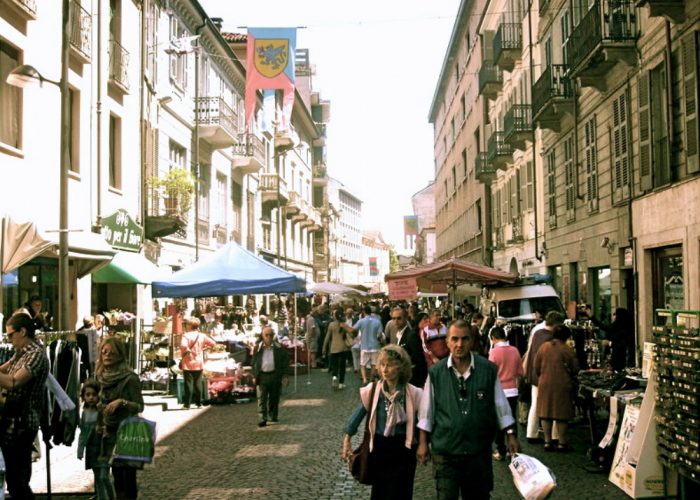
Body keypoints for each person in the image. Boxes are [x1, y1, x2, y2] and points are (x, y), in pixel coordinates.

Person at [417, 320, 520, 499]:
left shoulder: (487, 370)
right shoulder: (436, 373)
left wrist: (511, 434)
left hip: (478, 452)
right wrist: (423, 442)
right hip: (446, 453)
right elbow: (427, 411)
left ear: (471, 341)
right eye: (454, 339)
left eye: (464, 339)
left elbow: (501, 406)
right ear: (447, 342)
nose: (459, 344)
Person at [341, 345, 424, 499]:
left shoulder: (413, 393)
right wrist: (347, 440)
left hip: (403, 449)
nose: (385, 369)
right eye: (382, 364)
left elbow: (422, 421)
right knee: (380, 493)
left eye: (390, 365)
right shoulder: (372, 391)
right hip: (380, 448)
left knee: (402, 492)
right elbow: (357, 416)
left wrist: (423, 445)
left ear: (401, 367)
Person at [0, 313, 50, 499]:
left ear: (23, 331)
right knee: (13, 480)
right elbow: (3, 371)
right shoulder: (21, 353)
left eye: (11, 335)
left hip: (23, 423)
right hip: (12, 422)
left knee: (18, 481)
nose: (9, 340)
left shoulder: (35, 354)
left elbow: (13, 382)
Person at [95, 337, 144, 500]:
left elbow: (139, 406)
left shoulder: (130, 378)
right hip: (109, 431)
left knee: (127, 477)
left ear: (119, 355)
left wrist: (122, 402)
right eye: (104, 352)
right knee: (116, 476)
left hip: (129, 431)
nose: (107, 355)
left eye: (111, 352)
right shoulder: (100, 376)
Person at [534, 326, 580, 451]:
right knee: (561, 414)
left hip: (545, 382)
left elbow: (536, 365)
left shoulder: (544, 347)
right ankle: (562, 442)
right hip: (562, 383)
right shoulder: (567, 349)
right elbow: (575, 368)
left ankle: (547, 441)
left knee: (546, 412)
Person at [522, 311, 564, 443]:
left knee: (535, 404)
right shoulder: (551, 338)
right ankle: (554, 436)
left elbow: (531, 354)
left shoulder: (537, 334)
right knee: (553, 405)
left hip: (535, 375)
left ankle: (531, 433)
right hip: (547, 376)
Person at [488, 326, 524, 461]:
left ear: (493, 338)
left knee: (498, 420)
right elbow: (520, 371)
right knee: (511, 418)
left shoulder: (494, 352)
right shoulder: (514, 350)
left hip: (498, 390)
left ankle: (500, 449)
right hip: (512, 390)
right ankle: (512, 448)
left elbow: (490, 373)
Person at [77, 379, 113, 499]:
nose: (91, 397)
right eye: (88, 395)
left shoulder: (103, 411)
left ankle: (112, 497)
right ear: (84, 397)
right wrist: (80, 449)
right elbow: (83, 433)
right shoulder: (84, 413)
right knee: (97, 478)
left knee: (104, 476)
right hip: (91, 449)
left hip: (103, 449)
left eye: (94, 394)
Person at [251, 326, 289, 427]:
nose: (269, 337)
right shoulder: (257, 348)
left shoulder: (279, 348)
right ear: (262, 336)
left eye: (271, 335)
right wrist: (254, 374)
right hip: (262, 376)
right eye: (266, 335)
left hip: (275, 375)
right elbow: (253, 362)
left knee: (274, 397)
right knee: (261, 398)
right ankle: (262, 418)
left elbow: (285, 362)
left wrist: (284, 376)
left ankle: (273, 415)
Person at [180, 317, 216, 409]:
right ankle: (199, 403)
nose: (186, 326)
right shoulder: (202, 335)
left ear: (190, 325)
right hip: (198, 361)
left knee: (188, 383)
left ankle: (187, 404)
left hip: (188, 362)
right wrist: (204, 348)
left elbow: (183, 345)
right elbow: (213, 343)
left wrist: (187, 350)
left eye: (187, 324)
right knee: (198, 383)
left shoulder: (186, 336)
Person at [392, 306, 427, 387]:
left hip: (413, 381)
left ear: (405, 319)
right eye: (393, 318)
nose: (396, 321)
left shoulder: (411, 336)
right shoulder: (399, 334)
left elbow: (419, 361)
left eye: (399, 318)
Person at [323, 309, 354, 389]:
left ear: (335, 316)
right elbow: (352, 332)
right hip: (343, 348)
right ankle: (341, 383)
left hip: (334, 348)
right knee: (342, 366)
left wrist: (324, 347)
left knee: (335, 365)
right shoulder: (343, 324)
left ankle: (334, 377)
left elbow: (327, 337)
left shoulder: (331, 325)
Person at [353, 304, 384, 384]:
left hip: (364, 346)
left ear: (364, 312)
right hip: (375, 346)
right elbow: (380, 334)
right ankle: (371, 379)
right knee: (374, 364)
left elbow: (353, 329)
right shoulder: (377, 321)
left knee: (363, 364)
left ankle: (364, 379)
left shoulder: (361, 321)